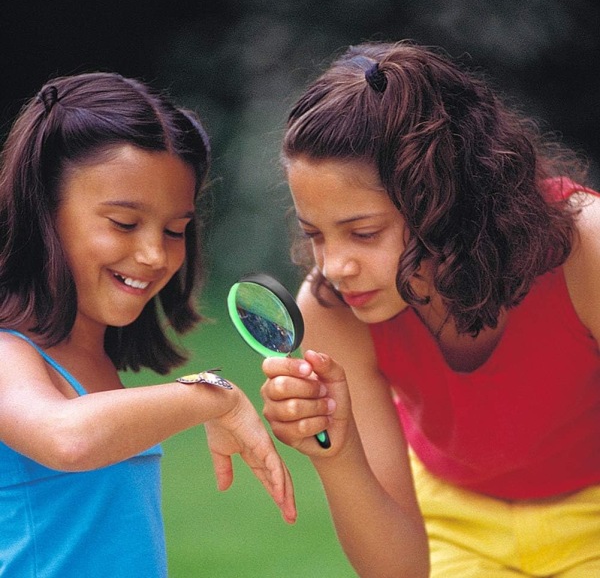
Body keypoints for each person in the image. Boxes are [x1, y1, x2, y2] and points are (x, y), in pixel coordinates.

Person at [260, 40, 600, 578]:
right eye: (315, 235)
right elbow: (399, 571)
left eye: (363, 232)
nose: (334, 267)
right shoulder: (331, 311)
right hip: (453, 515)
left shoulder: (585, 248)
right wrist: (335, 453)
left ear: (447, 199)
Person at [0, 72, 296, 578]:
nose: (154, 254)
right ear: (43, 212)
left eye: (175, 230)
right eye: (124, 223)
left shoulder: (97, 363)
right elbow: (68, 439)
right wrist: (213, 395)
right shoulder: (9, 352)